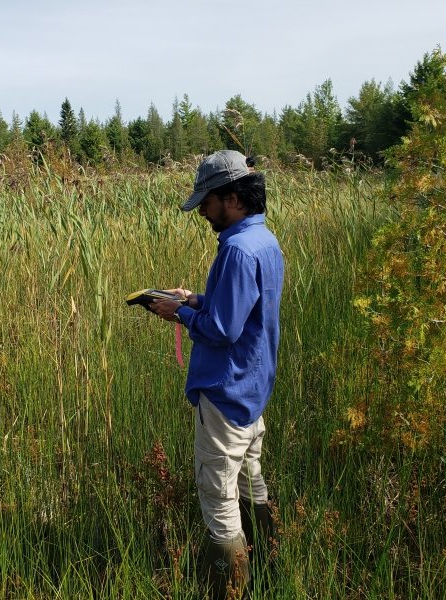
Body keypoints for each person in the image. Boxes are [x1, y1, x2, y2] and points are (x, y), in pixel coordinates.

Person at [151, 150, 284, 599]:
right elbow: (241, 310)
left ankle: (230, 590)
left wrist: (180, 316)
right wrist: (195, 300)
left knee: (219, 497)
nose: (203, 211)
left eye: (206, 202)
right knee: (251, 479)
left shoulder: (235, 251)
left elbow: (224, 330)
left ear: (231, 198)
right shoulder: (264, 241)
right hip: (252, 390)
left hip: (226, 395)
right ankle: (271, 564)